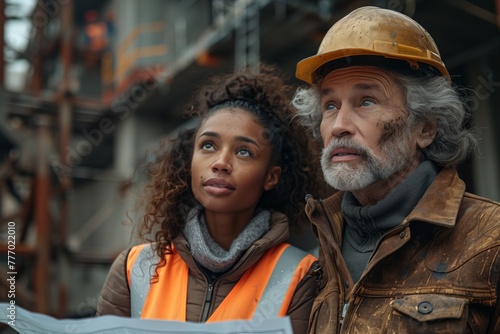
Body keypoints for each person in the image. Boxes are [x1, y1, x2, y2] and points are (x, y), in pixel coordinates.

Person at [291, 6, 500, 333]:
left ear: (425, 128)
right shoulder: (312, 256)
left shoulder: (492, 240)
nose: (339, 126)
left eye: (366, 101)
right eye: (330, 105)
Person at [96, 66, 323, 333]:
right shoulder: (133, 269)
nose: (220, 163)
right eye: (208, 145)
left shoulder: (300, 275)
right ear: (189, 161)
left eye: (243, 152)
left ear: (271, 177)